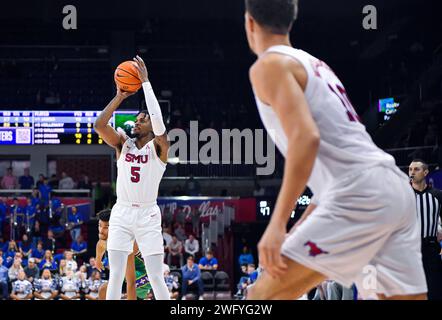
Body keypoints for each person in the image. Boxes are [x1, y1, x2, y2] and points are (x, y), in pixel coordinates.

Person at [244, 0, 426, 300]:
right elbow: (337, 168)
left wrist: (277, 225)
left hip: (359, 195)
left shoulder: (269, 64)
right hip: (392, 188)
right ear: (291, 20)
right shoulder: (316, 65)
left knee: (260, 298)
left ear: (250, 23)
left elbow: (306, 139)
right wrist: (301, 226)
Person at [94, 55, 170, 300]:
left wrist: (145, 83)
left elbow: (159, 124)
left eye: (142, 120)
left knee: (155, 275)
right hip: (122, 211)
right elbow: (99, 125)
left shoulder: (159, 147)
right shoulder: (122, 145)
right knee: (115, 274)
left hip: (148, 214)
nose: (137, 122)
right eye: (137, 119)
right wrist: (120, 95)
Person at [94, 209, 154, 300]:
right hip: (129, 271)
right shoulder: (106, 239)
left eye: (106, 227)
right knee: (103, 290)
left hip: (146, 274)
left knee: (124, 284)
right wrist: (98, 260)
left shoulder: (128, 243)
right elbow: (100, 244)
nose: (101, 230)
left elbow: (131, 281)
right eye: (99, 226)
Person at [409, 159, 442, 300]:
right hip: (410, 250)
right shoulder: (404, 194)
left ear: (426, 172)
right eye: (410, 169)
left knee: (434, 290)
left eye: (416, 169)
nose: (412, 172)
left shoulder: (437, 195)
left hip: (431, 248)